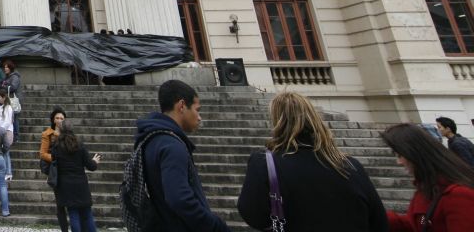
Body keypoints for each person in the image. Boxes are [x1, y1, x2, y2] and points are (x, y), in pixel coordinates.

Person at [236, 91, 386, 231]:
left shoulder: (264, 163)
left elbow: (253, 215)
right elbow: (378, 221)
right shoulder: (350, 165)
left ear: (277, 121)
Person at [132, 79, 230, 232]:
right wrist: (215, 226)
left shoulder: (151, 139)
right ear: (182, 106)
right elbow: (179, 199)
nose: (199, 117)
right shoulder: (172, 145)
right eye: (197, 110)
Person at [380, 122, 474, 232]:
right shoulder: (427, 189)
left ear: (416, 153)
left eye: (400, 155)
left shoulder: (458, 195)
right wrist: (376, 216)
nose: (399, 162)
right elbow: (421, 222)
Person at [52, 119, 101, 232]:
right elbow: (91, 166)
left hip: (65, 185)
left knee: (73, 213)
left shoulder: (56, 146)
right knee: (87, 213)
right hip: (81, 184)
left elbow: (55, 165)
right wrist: (94, 161)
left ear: (61, 130)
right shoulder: (79, 144)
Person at [39, 107, 69, 232]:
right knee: (60, 204)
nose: (59, 120)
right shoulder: (47, 134)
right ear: (53, 119)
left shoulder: (68, 133)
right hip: (56, 171)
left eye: (62, 118)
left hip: (68, 171)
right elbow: (42, 154)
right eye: (57, 118)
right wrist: (56, 158)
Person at [0, 86, 15, 181]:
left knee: (6, 153)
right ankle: (4, 172)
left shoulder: (9, 108)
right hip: (1, 132)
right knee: (2, 153)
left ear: (4, 97)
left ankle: (8, 172)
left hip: (7, 133)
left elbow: (8, 122)